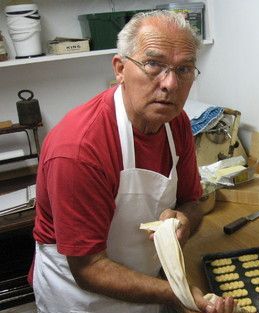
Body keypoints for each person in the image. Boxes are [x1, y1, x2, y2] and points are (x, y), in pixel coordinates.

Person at [29, 10, 236, 313]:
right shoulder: (79, 149)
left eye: (184, 69)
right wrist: (176, 292)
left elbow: (192, 201)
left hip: (146, 287)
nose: (170, 84)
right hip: (81, 298)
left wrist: (185, 221)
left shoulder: (174, 123)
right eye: (153, 64)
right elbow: (88, 268)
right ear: (120, 68)